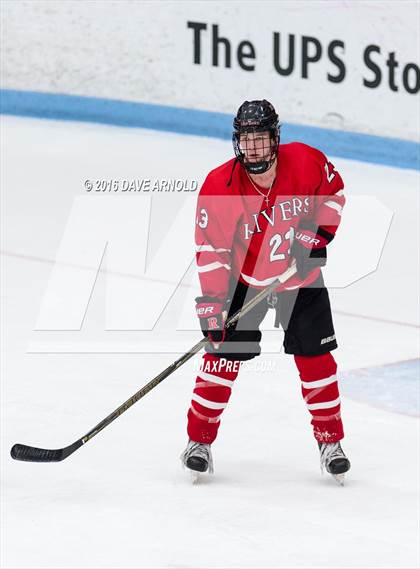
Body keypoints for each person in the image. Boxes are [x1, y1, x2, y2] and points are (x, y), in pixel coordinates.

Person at [180, 100, 350, 483]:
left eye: (260, 138)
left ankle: (331, 443)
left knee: (317, 361)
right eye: (246, 139)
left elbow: (334, 193)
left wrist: (316, 236)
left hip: (299, 281)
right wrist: (213, 307)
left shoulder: (306, 162)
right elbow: (212, 251)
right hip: (245, 281)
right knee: (221, 360)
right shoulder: (218, 186)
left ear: (275, 138)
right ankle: (198, 442)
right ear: (237, 142)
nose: (253, 148)